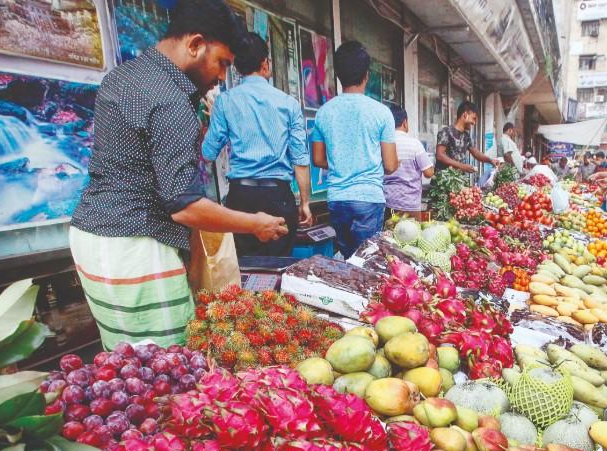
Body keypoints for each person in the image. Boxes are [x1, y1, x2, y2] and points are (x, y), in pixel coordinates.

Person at [69, 0, 286, 350]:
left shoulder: (123, 76)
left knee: (125, 364)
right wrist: (254, 224)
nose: (220, 77)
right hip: (137, 246)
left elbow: (144, 159)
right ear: (195, 44)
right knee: (169, 363)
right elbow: (183, 206)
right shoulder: (170, 99)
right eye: (221, 64)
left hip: (92, 239)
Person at [201, 32, 310, 257]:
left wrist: (217, 121)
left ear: (236, 67)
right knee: (279, 267)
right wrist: (305, 203)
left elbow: (208, 153)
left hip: (241, 198)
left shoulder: (225, 102)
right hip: (278, 196)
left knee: (244, 268)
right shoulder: (289, 104)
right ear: (265, 63)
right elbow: (300, 160)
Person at [311, 41, 399, 257]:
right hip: (369, 199)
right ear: (366, 75)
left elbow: (318, 159)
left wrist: (344, 162)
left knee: (348, 258)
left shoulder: (323, 112)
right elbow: (390, 165)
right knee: (367, 262)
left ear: (338, 75)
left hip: (337, 199)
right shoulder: (381, 113)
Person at [383, 104, 434, 217]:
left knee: (390, 233)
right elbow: (429, 172)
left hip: (388, 203)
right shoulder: (414, 144)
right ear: (405, 122)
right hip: (410, 205)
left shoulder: (383, 144)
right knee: (413, 233)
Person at [435, 101, 498, 174]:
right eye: (473, 118)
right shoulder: (446, 132)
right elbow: (440, 155)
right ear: (465, 115)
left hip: (457, 180)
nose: (474, 123)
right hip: (443, 181)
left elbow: (476, 153)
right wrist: (461, 166)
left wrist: (490, 160)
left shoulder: (466, 136)